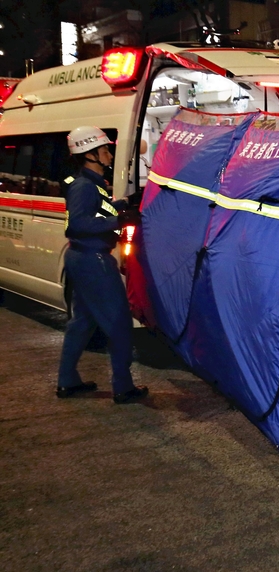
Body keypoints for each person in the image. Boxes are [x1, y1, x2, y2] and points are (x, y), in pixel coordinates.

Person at [57, 126, 148, 404]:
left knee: (82, 322)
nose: (109, 154)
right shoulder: (84, 186)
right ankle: (123, 387)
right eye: (105, 149)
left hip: (82, 258)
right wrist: (119, 221)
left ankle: (67, 381)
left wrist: (123, 204)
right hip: (93, 260)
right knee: (119, 323)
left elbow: (98, 210)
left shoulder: (91, 182)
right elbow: (78, 223)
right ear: (91, 154)